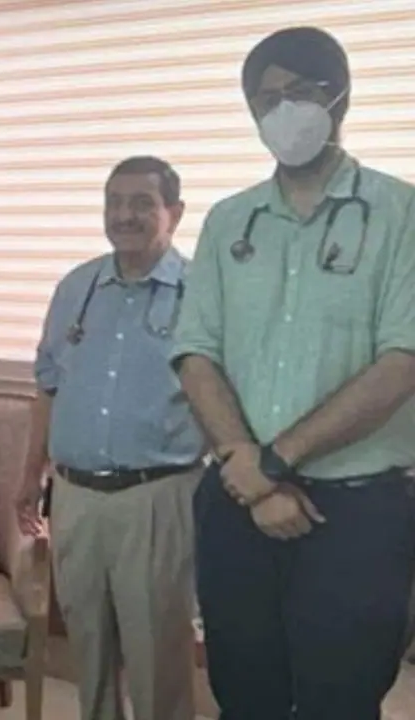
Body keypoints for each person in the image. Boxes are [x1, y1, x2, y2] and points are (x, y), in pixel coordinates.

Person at [173, 26, 415, 720]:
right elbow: (197, 353)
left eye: (300, 93)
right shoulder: (229, 221)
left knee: (341, 699)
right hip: (235, 503)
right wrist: (247, 471)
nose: (283, 112)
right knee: (243, 696)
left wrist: (274, 461)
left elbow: (402, 363)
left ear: (339, 96)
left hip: (357, 513)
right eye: (266, 99)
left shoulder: (401, 214)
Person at [17, 156, 203, 720]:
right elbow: (48, 386)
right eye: (114, 202)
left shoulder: (198, 293)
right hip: (75, 497)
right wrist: (32, 474)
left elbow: (221, 395)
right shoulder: (78, 288)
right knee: (87, 648)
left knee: (155, 652)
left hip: (157, 495)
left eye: (142, 203)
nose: (125, 215)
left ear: (174, 212)